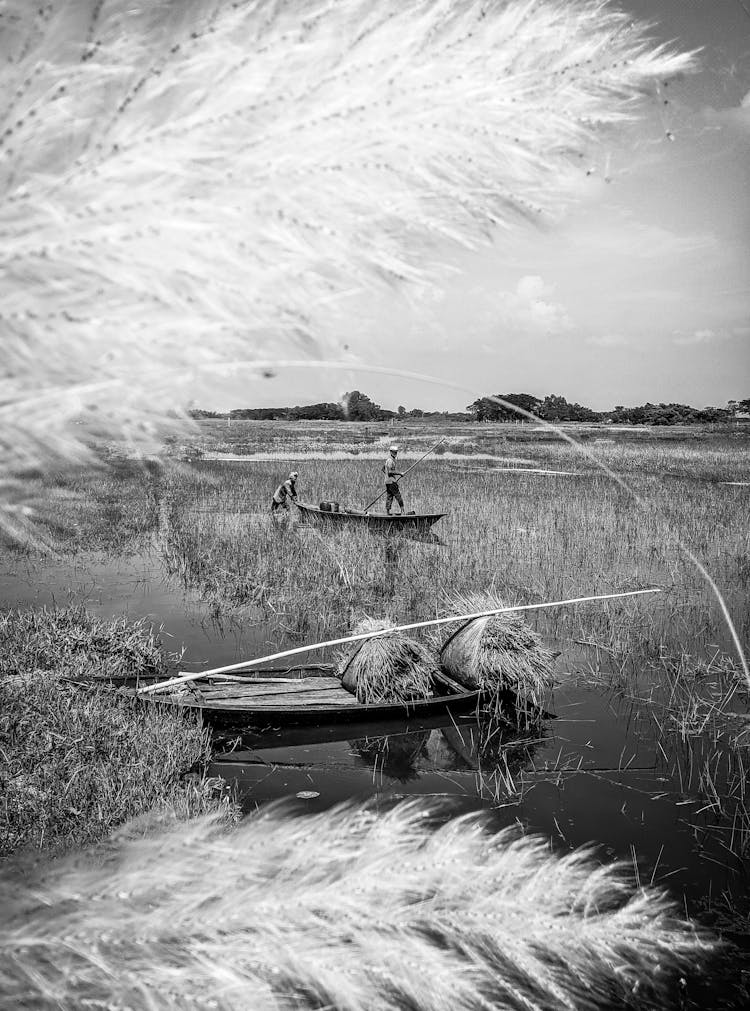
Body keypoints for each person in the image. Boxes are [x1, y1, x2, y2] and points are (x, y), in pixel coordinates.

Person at [383, 445, 404, 514]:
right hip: (391, 482)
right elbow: (390, 472)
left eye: (396, 452)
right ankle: (403, 511)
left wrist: (387, 476)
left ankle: (387, 512)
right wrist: (400, 473)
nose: (395, 453)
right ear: (391, 452)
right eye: (394, 452)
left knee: (389, 497)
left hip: (387, 482)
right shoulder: (390, 461)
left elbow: (383, 469)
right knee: (398, 495)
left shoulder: (389, 460)